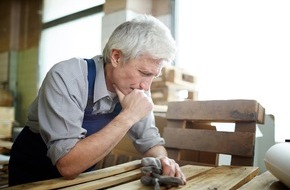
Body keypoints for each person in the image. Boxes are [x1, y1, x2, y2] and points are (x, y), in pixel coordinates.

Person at [8, 14, 186, 186]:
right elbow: (68, 165)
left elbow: (150, 141)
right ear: (116, 57)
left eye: (153, 76)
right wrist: (128, 116)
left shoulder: (136, 87)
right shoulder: (67, 77)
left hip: (82, 176)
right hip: (33, 172)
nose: (146, 87)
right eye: (144, 73)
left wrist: (162, 159)